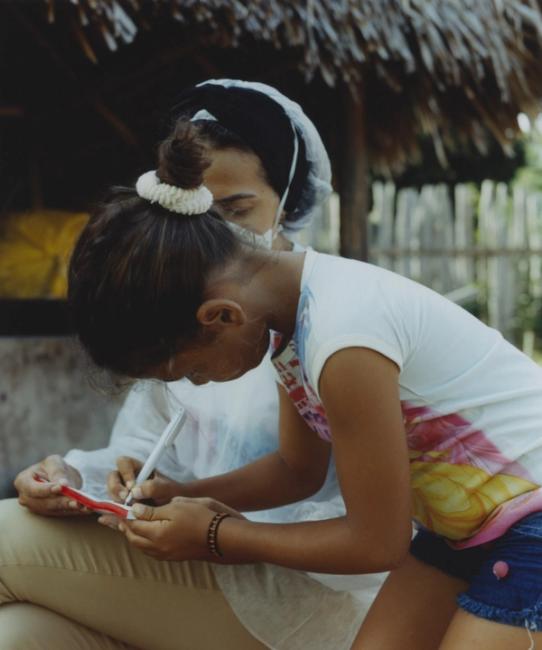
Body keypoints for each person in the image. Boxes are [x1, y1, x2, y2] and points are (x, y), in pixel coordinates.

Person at [65, 117, 542, 650]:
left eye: (191, 372)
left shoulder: (343, 339)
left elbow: (376, 542)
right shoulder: (287, 321)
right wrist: (181, 495)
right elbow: (296, 471)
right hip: (465, 528)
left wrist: (218, 537)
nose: (200, 383)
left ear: (220, 316)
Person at [1, 80, 383, 650]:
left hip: (301, 594)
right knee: (20, 636)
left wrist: (213, 528)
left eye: (232, 210)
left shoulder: (329, 333)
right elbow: (142, 453)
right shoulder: (181, 327)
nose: (209, 238)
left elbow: (359, 519)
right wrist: (74, 477)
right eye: (192, 214)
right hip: (191, 570)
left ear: (289, 199)